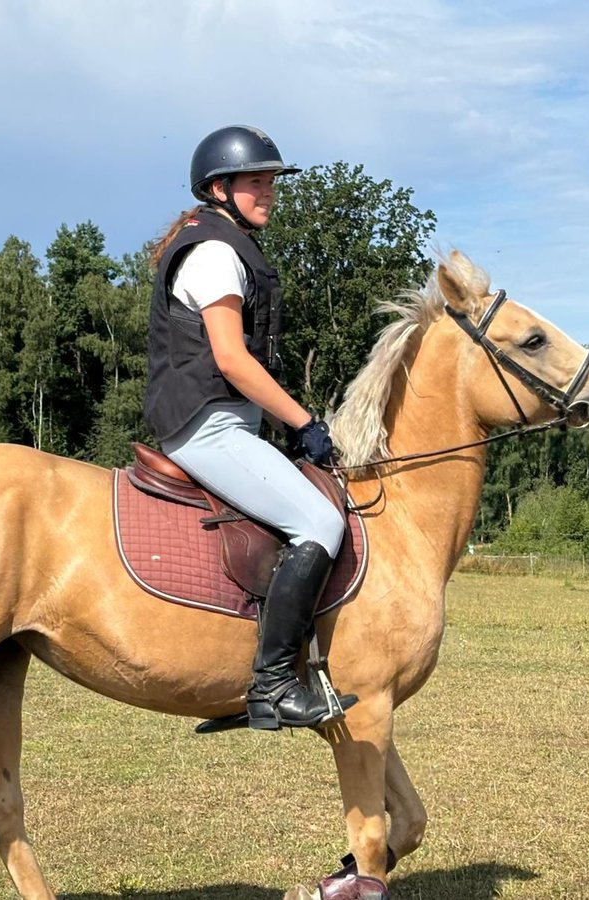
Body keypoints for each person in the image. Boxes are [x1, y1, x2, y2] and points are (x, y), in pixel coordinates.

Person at [144, 125, 353, 731]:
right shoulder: (212, 252)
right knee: (319, 520)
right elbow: (232, 359)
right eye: (255, 181)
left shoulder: (224, 241)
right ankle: (275, 686)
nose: (269, 192)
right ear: (218, 187)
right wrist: (304, 421)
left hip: (227, 422)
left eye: (270, 181)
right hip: (205, 425)